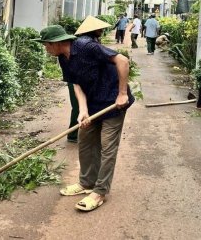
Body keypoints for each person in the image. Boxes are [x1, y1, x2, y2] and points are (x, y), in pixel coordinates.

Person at [34, 18, 135, 212]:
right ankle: (86, 182)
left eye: (46, 44)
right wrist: (83, 109)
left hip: (113, 102)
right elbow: (76, 83)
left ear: (56, 43)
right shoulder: (62, 58)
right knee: (86, 141)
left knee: (107, 148)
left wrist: (122, 94)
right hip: (92, 103)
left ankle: (100, 191)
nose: (45, 48)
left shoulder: (86, 46)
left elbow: (122, 60)